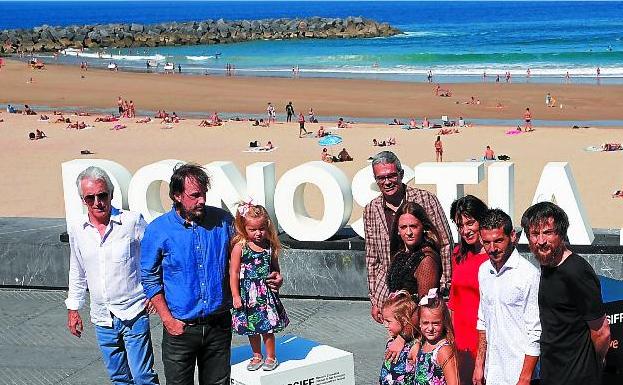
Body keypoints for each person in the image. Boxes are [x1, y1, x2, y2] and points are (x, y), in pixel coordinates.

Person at [140, 164, 284, 385]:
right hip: (181, 329)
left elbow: (255, 248)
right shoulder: (158, 230)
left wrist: (275, 273)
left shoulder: (224, 221)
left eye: (204, 193)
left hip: (218, 326)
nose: (202, 200)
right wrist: (168, 320)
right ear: (177, 196)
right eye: (195, 195)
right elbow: (149, 277)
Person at [65, 166, 159, 385]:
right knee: (118, 378)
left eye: (102, 195)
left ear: (111, 194)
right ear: (83, 200)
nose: (98, 202)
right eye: (90, 198)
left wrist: (154, 292)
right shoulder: (78, 229)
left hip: (133, 312)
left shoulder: (132, 222)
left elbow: (154, 257)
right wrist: (73, 309)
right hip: (102, 317)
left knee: (143, 377)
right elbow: (77, 270)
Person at [364, 151, 453, 348]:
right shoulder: (371, 209)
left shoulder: (426, 199)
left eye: (391, 176)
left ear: (401, 174)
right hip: (391, 293)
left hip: (424, 288)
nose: (387, 182)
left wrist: (446, 282)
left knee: (425, 345)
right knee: (397, 350)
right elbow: (372, 257)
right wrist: (375, 299)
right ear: (376, 180)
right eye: (381, 178)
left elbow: (446, 243)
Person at [521, 202, 610, 385]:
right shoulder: (547, 265)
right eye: (535, 234)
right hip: (551, 374)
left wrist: (594, 364)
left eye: (547, 232)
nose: (541, 241)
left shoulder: (576, 271)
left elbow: (602, 332)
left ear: (561, 234)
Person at [474, 209, 541, 385]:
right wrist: (479, 364)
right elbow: (483, 320)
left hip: (519, 374)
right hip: (492, 372)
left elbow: (535, 331)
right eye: (487, 242)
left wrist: (525, 378)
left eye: (498, 241)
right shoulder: (483, 271)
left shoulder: (529, 275)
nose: (492, 248)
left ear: (512, 236)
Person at [230, 202, 289, 371]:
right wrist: (235, 295)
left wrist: (278, 277)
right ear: (243, 227)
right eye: (253, 229)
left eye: (261, 228)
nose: (258, 233)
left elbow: (275, 269)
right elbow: (233, 273)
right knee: (252, 328)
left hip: (265, 295)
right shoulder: (239, 247)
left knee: (267, 328)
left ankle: (271, 356)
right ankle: (257, 355)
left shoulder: (269, 246)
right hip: (247, 295)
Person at [448, 195, 489, 385]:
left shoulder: (494, 258)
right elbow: (454, 302)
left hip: (485, 339)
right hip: (460, 339)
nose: (465, 230)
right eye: (460, 225)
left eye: (470, 223)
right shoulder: (458, 254)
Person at [387, 202, 442, 297]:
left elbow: (426, 305)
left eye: (413, 226)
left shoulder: (426, 259)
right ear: (398, 231)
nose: (408, 232)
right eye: (403, 227)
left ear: (423, 227)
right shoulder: (400, 254)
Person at [415, 288, 460, 385]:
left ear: (443, 322)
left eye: (436, 323)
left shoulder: (444, 350)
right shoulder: (423, 344)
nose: (430, 328)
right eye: (425, 323)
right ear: (419, 323)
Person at [379, 290, 420, 385]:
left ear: (404, 321)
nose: (385, 325)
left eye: (388, 321)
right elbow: (385, 369)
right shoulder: (391, 341)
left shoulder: (414, 347)